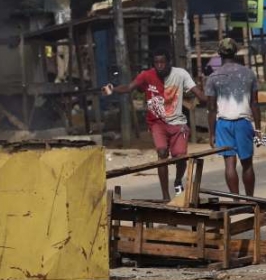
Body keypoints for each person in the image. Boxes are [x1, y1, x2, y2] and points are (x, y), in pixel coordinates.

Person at [103, 48, 206, 201]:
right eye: (157, 62)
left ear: (169, 62)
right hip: (157, 122)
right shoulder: (146, 75)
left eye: (162, 62)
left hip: (178, 123)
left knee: (180, 157)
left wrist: (207, 99)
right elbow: (129, 88)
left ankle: (178, 180)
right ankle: (165, 195)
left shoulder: (181, 74)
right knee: (162, 152)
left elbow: (198, 93)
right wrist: (113, 89)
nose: (160, 66)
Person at [206, 38, 261, 196]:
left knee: (229, 164)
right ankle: (250, 199)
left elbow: (211, 109)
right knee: (247, 164)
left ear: (219, 53)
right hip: (243, 123)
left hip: (223, 124)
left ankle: (235, 201)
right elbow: (254, 104)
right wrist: (258, 129)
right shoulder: (248, 73)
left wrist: (212, 133)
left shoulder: (214, 77)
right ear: (235, 52)